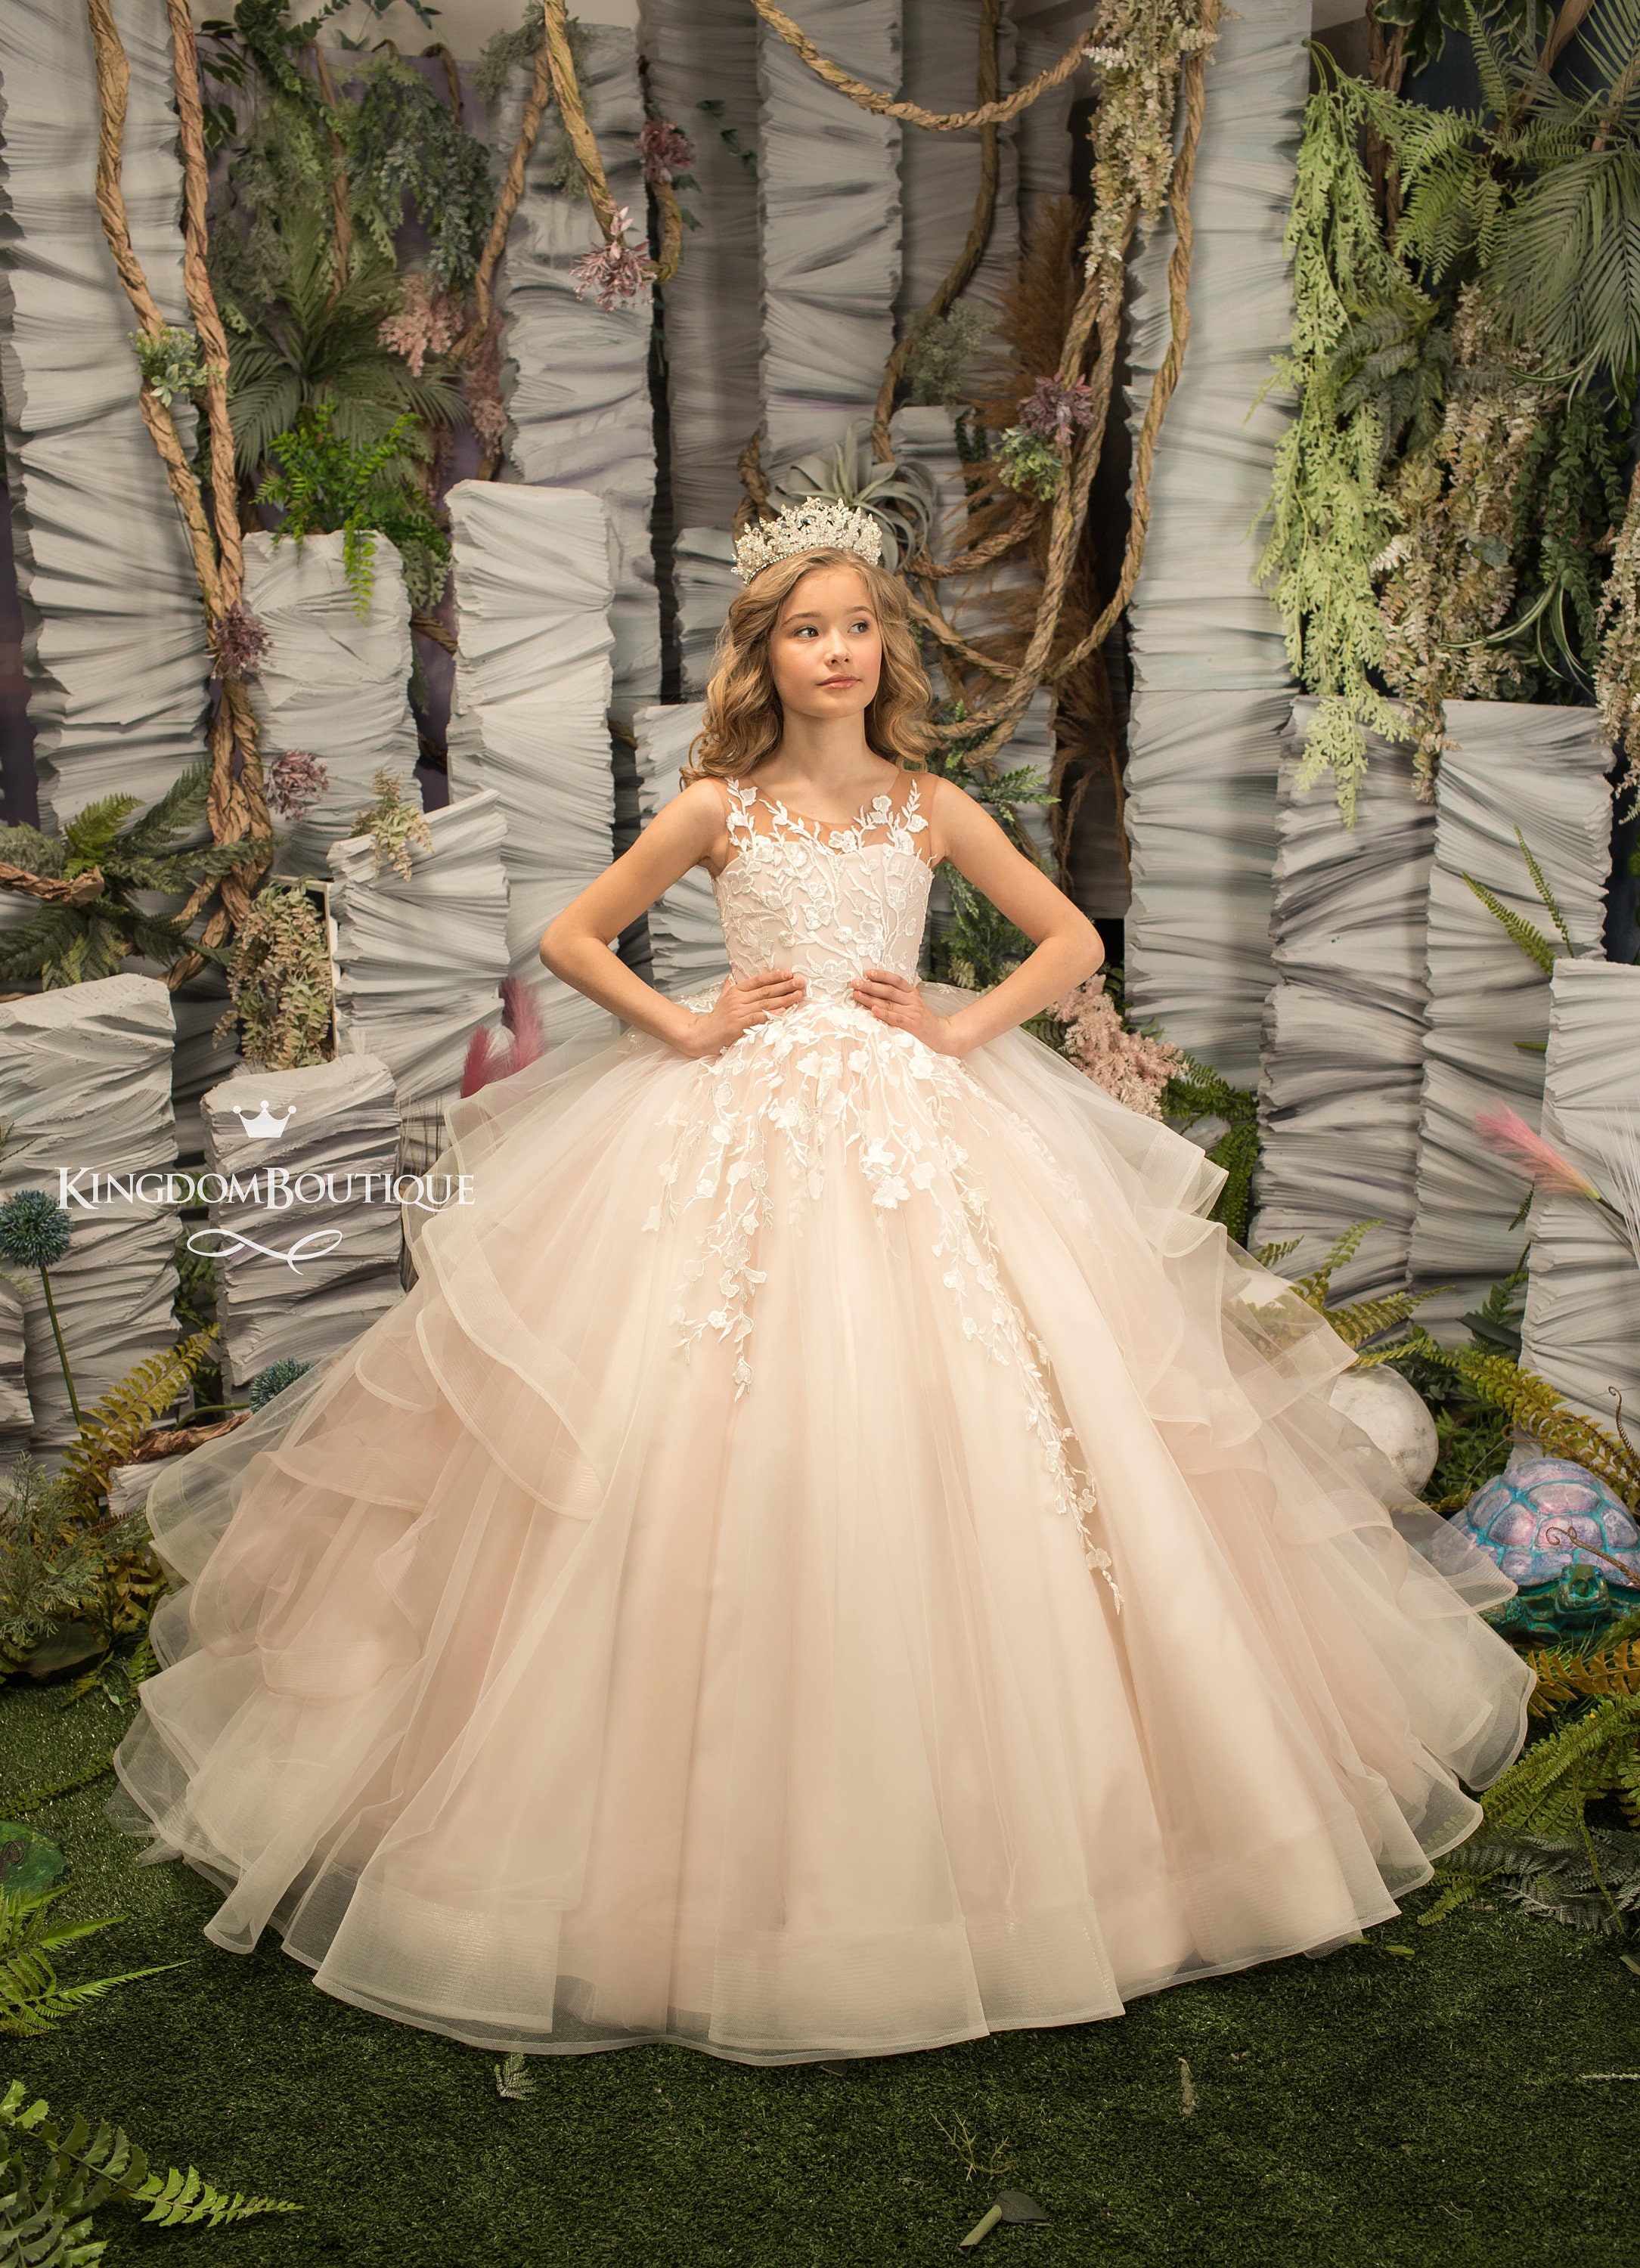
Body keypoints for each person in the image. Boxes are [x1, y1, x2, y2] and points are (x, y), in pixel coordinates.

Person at [113, 498, 1531, 2068]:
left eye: (856, 624)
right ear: (763, 656)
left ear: (882, 644)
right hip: (733, 1129)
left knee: (991, 1417)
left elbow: (1064, 943)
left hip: (921, 1130)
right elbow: (575, 938)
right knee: (695, 1421)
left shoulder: (926, 806)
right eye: (805, 630)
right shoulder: (719, 806)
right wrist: (688, 1021)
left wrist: (950, 1025)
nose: (836, 653)